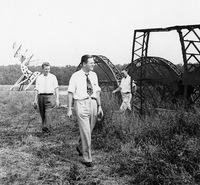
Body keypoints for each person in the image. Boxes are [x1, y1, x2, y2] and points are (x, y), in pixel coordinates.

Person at [67, 55, 103, 167]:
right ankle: (87, 158)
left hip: (92, 103)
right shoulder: (75, 76)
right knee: (86, 131)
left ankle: (80, 146)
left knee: (89, 130)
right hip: (81, 103)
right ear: (83, 64)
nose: (93, 65)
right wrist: (69, 109)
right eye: (91, 63)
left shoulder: (94, 75)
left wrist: (99, 106)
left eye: (94, 63)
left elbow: (97, 91)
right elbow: (70, 92)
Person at [33, 62, 59, 134]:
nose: (47, 70)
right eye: (46, 69)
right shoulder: (39, 78)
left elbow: (56, 88)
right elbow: (36, 89)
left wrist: (57, 99)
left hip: (50, 96)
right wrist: (35, 100)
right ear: (42, 69)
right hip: (41, 97)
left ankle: (47, 128)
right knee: (42, 113)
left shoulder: (53, 77)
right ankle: (44, 127)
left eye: (48, 69)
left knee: (48, 113)